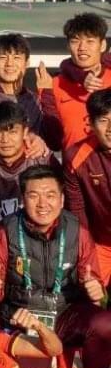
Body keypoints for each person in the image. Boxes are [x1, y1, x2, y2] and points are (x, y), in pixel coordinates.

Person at [0, 165, 111, 368]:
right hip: (23, 317)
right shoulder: (4, 233)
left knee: (105, 324)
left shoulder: (78, 232)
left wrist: (95, 289)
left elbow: (92, 280)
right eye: (34, 196)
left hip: (65, 313)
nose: (42, 204)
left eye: (50, 195)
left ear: (62, 200)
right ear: (23, 199)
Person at [0, 101, 57, 262]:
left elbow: (62, 210)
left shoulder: (44, 159)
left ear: (25, 132)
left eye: (12, 131)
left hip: (40, 251)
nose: (5, 139)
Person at [0, 33, 62, 152]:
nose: (9, 63)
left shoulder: (39, 102)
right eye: (3, 57)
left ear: (27, 63)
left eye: (16, 57)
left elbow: (55, 142)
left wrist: (47, 95)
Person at [66, 89, 111, 287]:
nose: (110, 128)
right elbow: (77, 209)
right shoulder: (75, 157)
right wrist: (87, 248)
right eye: (103, 120)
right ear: (90, 124)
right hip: (100, 243)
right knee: (88, 294)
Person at [53, 13, 111, 149]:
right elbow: (49, 135)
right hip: (74, 162)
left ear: (103, 45)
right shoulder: (54, 85)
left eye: (90, 41)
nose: (82, 48)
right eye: (75, 41)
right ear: (68, 46)